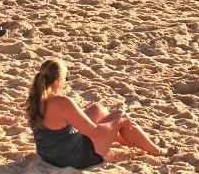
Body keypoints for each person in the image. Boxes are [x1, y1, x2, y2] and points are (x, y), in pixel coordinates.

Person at [27, 58, 171, 168]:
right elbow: (95, 131)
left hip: (49, 154)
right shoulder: (62, 102)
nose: (65, 82)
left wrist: (82, 113)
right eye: (66, 79)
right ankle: (158, 151)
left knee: (97, 109)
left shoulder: (36, 99)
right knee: (120, 116)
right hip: (74, 158)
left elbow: (55, 125)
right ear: (58, 81)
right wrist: (117, 121)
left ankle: (124, 138)